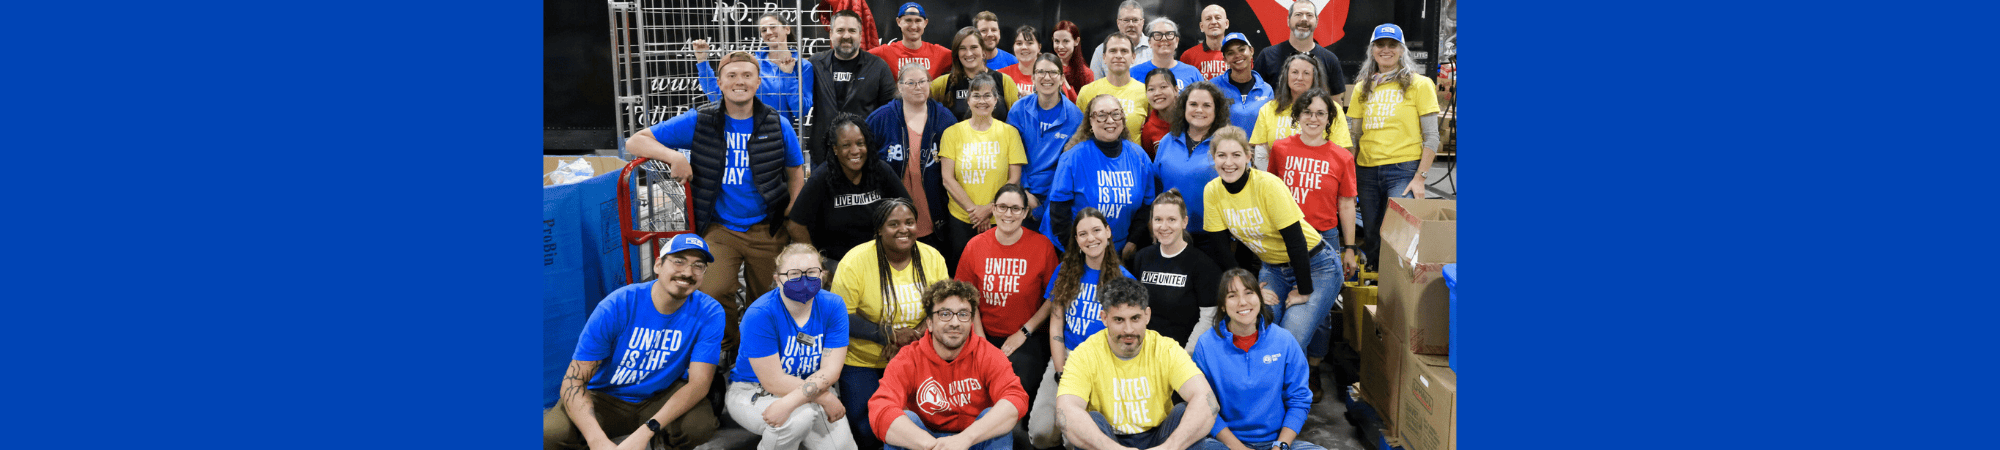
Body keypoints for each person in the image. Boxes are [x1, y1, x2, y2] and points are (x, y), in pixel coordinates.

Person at [626, 50, 807, 369]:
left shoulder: (777, 124)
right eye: (732, 76)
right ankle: (729, 349)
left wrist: (792, 209)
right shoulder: (701, 121)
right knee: (713, 289)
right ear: (719, 83)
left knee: (768, 297)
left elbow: (795, 170)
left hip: (768, 226)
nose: (740, 81)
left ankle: (759, 353)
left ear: (758, 82)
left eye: (747, 75)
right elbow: (635, 142)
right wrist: (674, 156)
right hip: (720, 228)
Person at [1201, 126, 1344, 401]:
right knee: (1257, 324)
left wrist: (1303, 290)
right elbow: (1221, 250)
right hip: (1273, 268)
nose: (1229, 162)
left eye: (1236, 155)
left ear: (1249, 156)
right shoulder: (1212, 191)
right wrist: (1250, 291)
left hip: (1316, 266)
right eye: (1221, 155)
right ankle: (1260, 396)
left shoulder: (1268, 185)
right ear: (1213, 158)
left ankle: (1286, 403)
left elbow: (1296, 242)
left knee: (1290, 334)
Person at [545, 235, 724, 450]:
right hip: (604, 396)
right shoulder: (618, 305)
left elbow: (699, 384)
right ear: (658, 265)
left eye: (698, 266)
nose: (687, 272)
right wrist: (597, 440)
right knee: (550, 433)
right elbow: (574, 381)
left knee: (697, 426)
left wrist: (646, 432)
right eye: (678, 261)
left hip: (660, 394)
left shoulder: (710, 312)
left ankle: (659, 443)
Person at [833, 198, 951, 450]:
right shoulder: (854, 261)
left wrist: (913, 336)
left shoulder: (931, 257)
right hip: (864, 359)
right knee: (867, 428)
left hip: (918, 353)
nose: (903, 229)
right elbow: (841, 316)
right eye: (894, 224)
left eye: (909, 222)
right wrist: (888, 335)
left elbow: (943, 307)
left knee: (924, 419)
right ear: (879, 229)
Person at [1055, 276, 1219, 450]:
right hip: (1108, 441)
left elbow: (1207, 401)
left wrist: (1171, 447)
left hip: (1160, 438)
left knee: (1185, 413)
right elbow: (1065, 412)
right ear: (1104, 318)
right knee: (1092, 420)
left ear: (1147, 315)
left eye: (1135, 318)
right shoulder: (1084, 354)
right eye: (1119, 320)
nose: (1128, 330)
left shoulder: (1166, 349)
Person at [1269, 89, 1362, 392]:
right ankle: (1280, 372)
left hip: (1323, 241)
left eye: (1321, 113)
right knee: (1282, 307)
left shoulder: (1342, 157)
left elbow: (1346, 204)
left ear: (1329, 119)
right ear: (1297, 116)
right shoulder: (1280, 149)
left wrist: (1349, 248)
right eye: (1307, 112)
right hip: (1283, 240)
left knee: (1318, 312)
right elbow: (1269, 193)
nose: (1313, 118)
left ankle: (1313, 368)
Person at [868, 280, 1032, 450]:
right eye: (945, 314)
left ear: (971, 321)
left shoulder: (989, 355)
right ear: (930, 323)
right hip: (924, 442)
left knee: (997, 423)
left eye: (963, 314)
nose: (955, 322)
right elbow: (880, 408)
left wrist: (965, 439)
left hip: (973, 438)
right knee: (905, 420)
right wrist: (933, 446)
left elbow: (1015, 398)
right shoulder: (908, 358)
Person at [725, 244, 857, 450]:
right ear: (778, 279)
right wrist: (824, 397)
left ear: (822, 275)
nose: (804, 280)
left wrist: (796, 400)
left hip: (812, 386)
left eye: (811, 272)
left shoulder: (833, 305)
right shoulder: (760, 313)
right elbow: (773, 381)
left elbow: (831, 369)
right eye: (794, 274)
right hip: (754, 389)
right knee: (796, 419)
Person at [1024, 208, 1135, 449]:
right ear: (1076, 239)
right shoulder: (1065, 271)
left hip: (1103, 363)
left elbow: (1127, 335)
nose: (1090, 238)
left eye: (1096, 230)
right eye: (1083, 234)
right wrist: (1060, 370)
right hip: (1067, 357)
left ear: (1108, 232)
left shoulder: (1124, 279)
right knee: (1041, 434)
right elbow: (1056, 323)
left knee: (1078, 438)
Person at [1189, 269, 1324, 450]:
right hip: (1226, 444)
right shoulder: (1206, 345)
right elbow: (1204, 406)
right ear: (1222, 306)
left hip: (1275, 442)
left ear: (1259, 299)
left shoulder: (1284, 340)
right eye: (1232, 295)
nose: (1242, 302)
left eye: (1249, 293)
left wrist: (1280, 446)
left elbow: (1299, 399)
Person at [953, 184, 1060, 410]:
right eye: (1002, 207)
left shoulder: (1042, 246)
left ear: (1025, 212)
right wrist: (980, 340)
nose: (1008, 214)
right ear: (993, 208)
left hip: (1027, 337)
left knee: (1013, 392)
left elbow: (1053, 298)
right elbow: (966, 297)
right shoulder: (975, 246)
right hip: (984, 335)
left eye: (1015, 208)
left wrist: (1024, 332)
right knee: (977, 391)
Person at [1346, 23, 1441, 272]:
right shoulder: (1362, 88)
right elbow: (1353, 137)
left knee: (1400, 234)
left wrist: (1420, 178)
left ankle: (1398, 286)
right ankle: (1375, 284)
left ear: (1401, 50)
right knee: (1372, 235)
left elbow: (1432, 137)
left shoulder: (1420, 84)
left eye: (1392, 45)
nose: (1386, 49)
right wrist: (1348, 176)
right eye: (1380, 45)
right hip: (1366, 171)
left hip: (1403, 170)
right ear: (1372, 50)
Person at [788, 113, 912, 275]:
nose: (855, 151)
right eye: (846, 145)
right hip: (836, 264)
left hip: (878, 260)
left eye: (860, 143)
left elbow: (908, 209)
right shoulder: (821, 177)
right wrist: (818, 265)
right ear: (835, 149)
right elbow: (795, 225)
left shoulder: (881, 170)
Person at [867, 62, 958, 270]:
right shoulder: (881, 118)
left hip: (934, 212)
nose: (918, 87)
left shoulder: (944, 118)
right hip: (891, 208)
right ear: (899, 86)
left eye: (922, 81)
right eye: (911, 83)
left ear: (930, 83)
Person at [1043, 94, 1156, 259]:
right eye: (1101, 115)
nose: (1110, 120)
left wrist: (1133, 241)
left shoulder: (1139, 156)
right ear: (1090, 121)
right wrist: (1075, 250)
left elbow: (1146, 205)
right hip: (1075, 247)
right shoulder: (1073, 157)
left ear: (1122, 119)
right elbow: (1059, 211)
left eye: (1115, 114)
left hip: (1118, 248)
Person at [938, 75, 1026, 266]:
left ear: (996, 100)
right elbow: (947, 179)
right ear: (968, 100)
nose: (982, 101)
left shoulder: (1010, 133)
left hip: (1001, 219)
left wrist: (989, 209)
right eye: (976, 96)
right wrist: (975, 212)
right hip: (961, 220)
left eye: (987, 96)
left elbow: (1014, 179)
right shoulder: (952, 133)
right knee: (963, 273)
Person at [1152, 81, 1236, 269]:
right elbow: (1157, 186)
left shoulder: (1227, 144)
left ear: (1217, 110)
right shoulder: (1167, 141)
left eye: (1206, 105)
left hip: (1214, 239)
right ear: (1184, 108)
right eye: (1193, 104)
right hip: (1171, 235)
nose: (1199, 110)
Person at [1132, 189, 1222, 351]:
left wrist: (1185, 355)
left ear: (1184, 222)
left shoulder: (1203, 265)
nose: (1164, 226)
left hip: (1183, 353)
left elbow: (1208, 319)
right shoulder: (1142, 257)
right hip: (1145, 351)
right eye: (1158, 219)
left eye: (1171, 220)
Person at [1007, 53, 1085, 234]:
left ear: (1062, 78)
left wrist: (1046, 205)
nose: (1046, 77)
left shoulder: (1075, 117)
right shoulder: (1018, 110)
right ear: (1033, 78)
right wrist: (1024, 193)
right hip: (1021, 194)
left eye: (1053, 72)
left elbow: (1071, 168)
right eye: (1041, 72)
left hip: (1058, 197)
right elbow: (1011, 156)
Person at [807, 10, 898, 165]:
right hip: (823, 156)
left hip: (863, 156)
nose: (846, 35)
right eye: (840, 30)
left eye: (852, 30)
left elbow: (891, 111)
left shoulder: (878, 67)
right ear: (831, 34)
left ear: (860, 35)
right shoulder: (815, 63)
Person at [693, 13, 814, 124]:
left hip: (778, 134)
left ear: (787, 29)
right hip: (745, 131)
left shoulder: (803, 66)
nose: (768, 32)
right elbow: (718, 96)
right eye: (763, 30)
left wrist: (788, 75)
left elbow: (800, 111)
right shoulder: (751, 63)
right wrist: (702, 62)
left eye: (773, 27)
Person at [1249, 54, 1350, 170]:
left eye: (1306, 73)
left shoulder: (1331, 109)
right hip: (1276, 178)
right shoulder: (1269, 109)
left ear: (1315, 77)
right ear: (1286, 75)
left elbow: (1340, 154)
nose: (1299, 78)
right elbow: (1261, 153)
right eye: (1294, 72)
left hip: (1318, 176)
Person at [1254, 0, 1346, 106]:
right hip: (1276, 116)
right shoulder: (1267, 56)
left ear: (1316, 21)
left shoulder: (1330, 59)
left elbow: (1336, 105)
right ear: (1288, 20)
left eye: (1309, 15)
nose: (1304, 19)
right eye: (1298, 14)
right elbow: (1255, 98)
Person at [932, 26, 1021, 122]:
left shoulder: (1004, 81)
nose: (968, 53)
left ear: (983, 50)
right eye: (962, 48)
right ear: (957, 53)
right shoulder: (943, 83)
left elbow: (1019, 120)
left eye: (973, 47)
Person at [1076, 33, 1149, 143]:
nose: (1118, 55)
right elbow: (1080, 134)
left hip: (1133, 153)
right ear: (1104, 57)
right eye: (1113, 51)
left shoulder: (1146, 92)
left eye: (1124, 51)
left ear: (1133, 57)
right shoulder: (1087, 92)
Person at [1209, 32, 1271, 140]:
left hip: (1257, 149)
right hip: (1222, 149)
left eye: (1242, 49)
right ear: (1225, 60)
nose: (1237, 55)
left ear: (1251, 51)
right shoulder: (1212, 87)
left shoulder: (1266, 90)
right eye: (1230, 53)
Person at [869, 3, 952, 78]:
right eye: (908, 20)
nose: (913, 26)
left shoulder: (940, 54)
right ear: (898, 22)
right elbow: (862, 60)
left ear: (925, 23)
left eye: (918, 20)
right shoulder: (884, 53)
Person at [997, 26, 1077, 100]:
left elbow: (1064, 105)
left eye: (1029, 43)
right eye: (1019, 43)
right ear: (1013, 47)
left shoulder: (1053, 75)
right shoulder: (1001, 75)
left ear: (1039, 47)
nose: (1024, 47)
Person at [1130, 18, 1206, 91]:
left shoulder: (1192, 73)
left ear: (1176, 41)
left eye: (1169, 34)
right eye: (1158, 35)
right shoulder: (1134, 74)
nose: (1164, 38)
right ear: (1149, 42)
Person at [1089, 1, 1151, 80]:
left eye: (1135, 20)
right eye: (1126, 20)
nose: (1131, 24)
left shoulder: (1155, 48)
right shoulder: (1101, 51)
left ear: (1142, 22)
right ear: (1118, 23)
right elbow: (1095, 85)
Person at [1179, 5, 1231, 80]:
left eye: (1218, 18)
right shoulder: (1188, 56)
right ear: (1201, 27)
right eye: (1208, 19)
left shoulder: (1237, 55)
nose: (1213, 22)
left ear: (1226, 24)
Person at [1138, 68, 1179, 156]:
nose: (1157, 93)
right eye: (1151, 89)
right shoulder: (1148, 129)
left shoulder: (1190, 118)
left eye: (1163, 87)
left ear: (1176, 90)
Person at [1050, 20, 1094, 98]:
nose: (1060, 46)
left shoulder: (1086, 74)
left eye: (1066, 41)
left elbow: (1087, 104)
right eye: (1056, 41)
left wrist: (1065, 85)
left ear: (1076, 41)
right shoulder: (1047, 67)